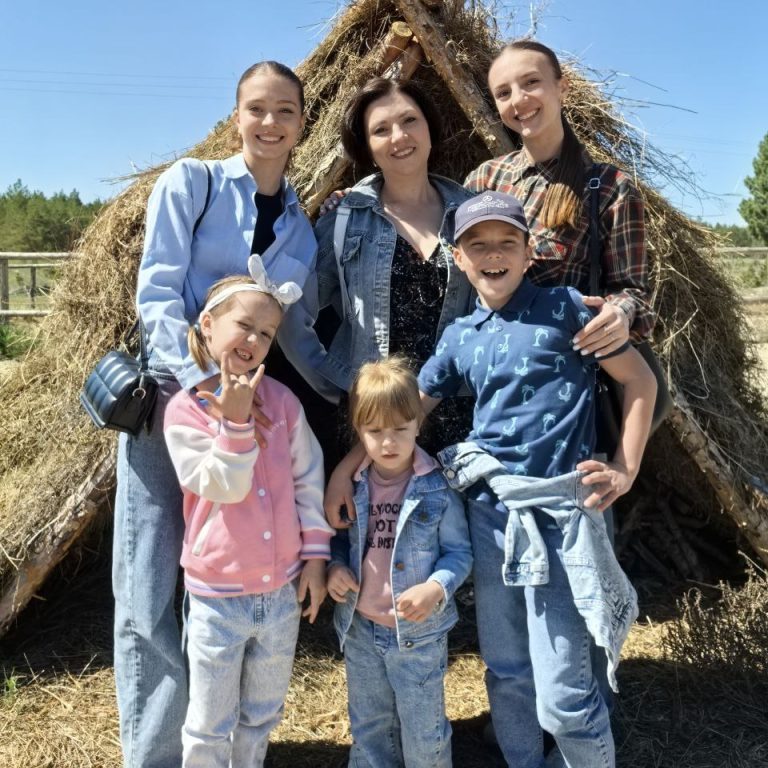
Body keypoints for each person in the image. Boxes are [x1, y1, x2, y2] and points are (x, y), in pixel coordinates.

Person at [322, 40, 652, 523]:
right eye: (504, 92)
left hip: (564, 409)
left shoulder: (607, 186)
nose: (519, 100)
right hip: (478, 392)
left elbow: (636, 293)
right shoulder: (482, 184)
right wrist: (346, 201)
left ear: (562, 88)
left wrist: (620, 314)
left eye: (532, 83)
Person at [113, 61, 327, 768]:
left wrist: (346, 392)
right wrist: (208, 390)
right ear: (236, 115)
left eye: (286, 111)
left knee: (222, 570)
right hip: (171, 402)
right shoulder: (192, 183)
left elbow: (294, 336)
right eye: (257, 108)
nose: (270, 123)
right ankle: (154, 756)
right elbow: (157, 295)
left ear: (303, 124)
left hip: (248, 413)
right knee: (149, 583)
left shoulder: (301, 230)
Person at [417, 191, 656, 768]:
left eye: (507, 242)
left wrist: (625, 467)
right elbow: (406, 413)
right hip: (492, 515)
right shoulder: (460, 336)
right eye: (478, 244)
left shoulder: (567, 309)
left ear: (529, 252)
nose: (493, 254)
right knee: (507, 669)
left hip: (563, 514)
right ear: (459, 258)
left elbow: (640, 381)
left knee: (565, 695)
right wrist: (349, 466)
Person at [163, 264, 331, 768]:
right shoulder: (187, 410)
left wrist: (316, 557)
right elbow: (222, 485)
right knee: (210, 723)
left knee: (261, 714)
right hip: (218, 596)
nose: (254, 340)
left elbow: (308, 480)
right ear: (207, 324)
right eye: (244, 325)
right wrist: (235, 424)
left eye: (267, 333)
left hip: (280, 592)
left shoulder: (282, 403)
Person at [305, 76, 475, 459]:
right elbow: (300, 309)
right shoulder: (344, 219)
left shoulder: (471, 214)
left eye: (409, 120)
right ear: (366, 147)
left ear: (429, 127)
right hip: (375, 427)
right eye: (380, 129)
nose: (399, 136)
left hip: (460, 422)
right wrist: (331, 377)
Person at [327, 357, 472, 768]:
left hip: (418, 636)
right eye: (374, 432)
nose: (388, 442)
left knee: (424, 733)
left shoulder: (437, 486)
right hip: (360, 628)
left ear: (418, 425)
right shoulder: (354, 485)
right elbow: (342, 541)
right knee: (369, 727)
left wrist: (436, 587)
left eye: (400, 430)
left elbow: (460, 553)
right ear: (358, 431)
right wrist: (336, 568)